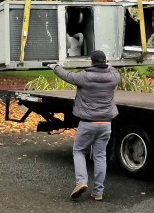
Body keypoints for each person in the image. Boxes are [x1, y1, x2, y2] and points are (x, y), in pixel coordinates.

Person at [48, 50, 120, 201]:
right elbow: (113, 69)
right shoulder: (114, 77)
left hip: (88, 123)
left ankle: (81, 182)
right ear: (105, 62)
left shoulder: (85, 76)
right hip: (106, 123)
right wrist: (109, 65)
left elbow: (67, 76)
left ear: (92, 62)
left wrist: (55, 66)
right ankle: (98, 192)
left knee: (79, 151)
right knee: (100, 156)